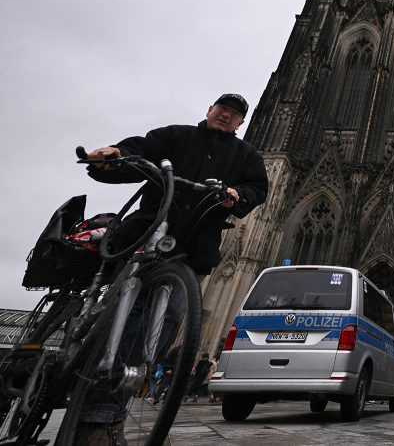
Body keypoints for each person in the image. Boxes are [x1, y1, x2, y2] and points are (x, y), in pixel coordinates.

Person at [76, 94, 269, 444]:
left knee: (164, 324)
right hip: (148, 234)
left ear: (241, 122)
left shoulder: (246, 156)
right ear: (209, 111)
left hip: (193, 249)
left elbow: (257, 188)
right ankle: (96, 411)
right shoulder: (176, 136)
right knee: (124, 316)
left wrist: (238, 195)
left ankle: (108, 411)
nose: (226, 117)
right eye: (222, 110)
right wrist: (115, 153)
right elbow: (141, 149)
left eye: (234, 114)